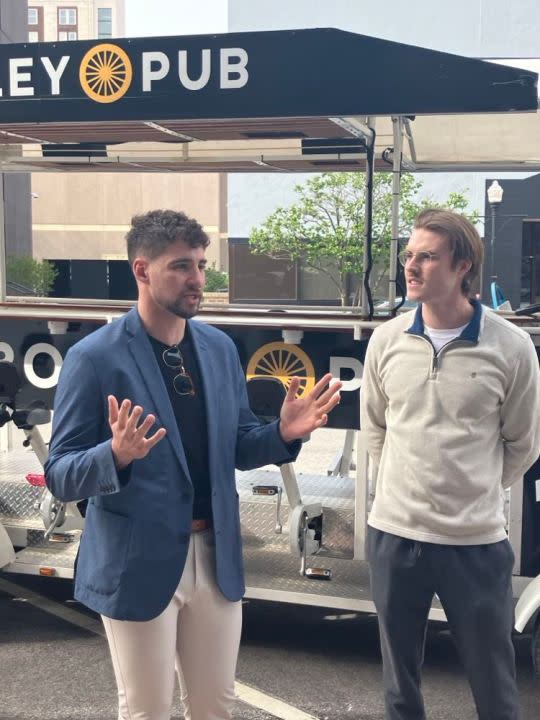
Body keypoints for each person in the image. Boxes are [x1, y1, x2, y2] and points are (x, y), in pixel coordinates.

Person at [44, 209, 341, 720]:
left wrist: (282, 433)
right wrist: (114, 455)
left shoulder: (219, 348)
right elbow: (60, 471)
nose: (197, 280)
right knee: (147, 710)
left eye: (202, 265)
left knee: (215, 707)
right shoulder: (95, 358)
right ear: (142, 270)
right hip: (139, 562)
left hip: (217, 555)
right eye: (182, 266)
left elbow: (240, 446)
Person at [361, 208, 540, 720]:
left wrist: (471, 488)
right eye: (409, 255)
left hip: (475, 543)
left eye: (427, 257)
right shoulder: (386, 340)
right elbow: (376, 429)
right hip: (395, 535)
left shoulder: (511, 346)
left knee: (494, 685)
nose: (411, 267)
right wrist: (407, 483)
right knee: (399, 688)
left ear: (463, 266)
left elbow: (524, 442)